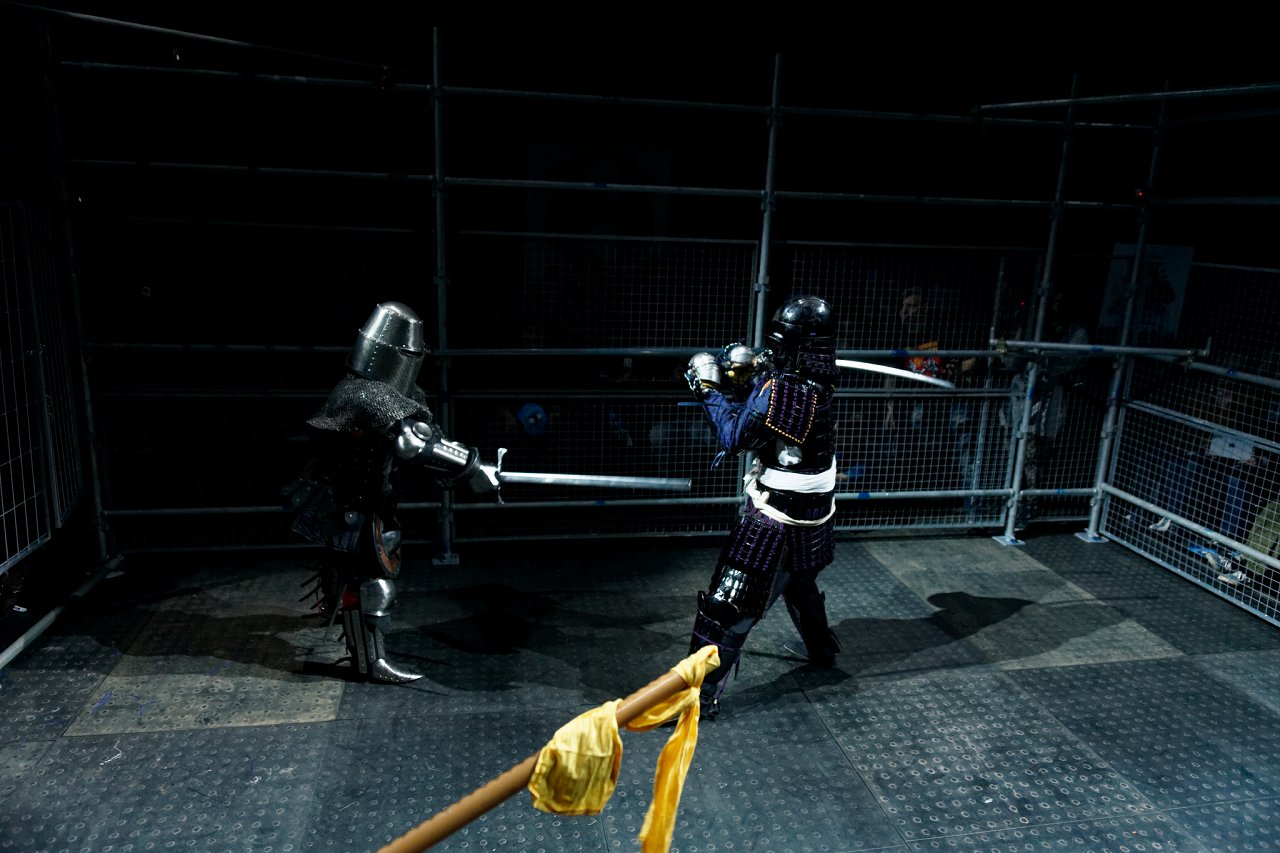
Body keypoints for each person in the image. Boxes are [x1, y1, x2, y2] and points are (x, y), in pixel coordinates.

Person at [285, 302, 496, 683]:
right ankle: (371, 663)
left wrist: (465, 465)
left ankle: (355, 635)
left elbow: (430, 439)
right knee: (372, 583)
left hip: (370, 496)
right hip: (345, 499)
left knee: (358, 574)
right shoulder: (363, 394)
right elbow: (412, 446)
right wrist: (471, 466)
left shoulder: (402, 393)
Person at [682, 295, 841, 719]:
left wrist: (709, 387)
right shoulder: (812, 382)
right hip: (814, 507)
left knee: (728, 603)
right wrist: (753, 375)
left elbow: (735, 436)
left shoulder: (791, 391)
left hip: (779, 515)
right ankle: (822, 650)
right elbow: (769, 413)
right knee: (800, 580)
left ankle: (697, 695)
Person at [1000, 288, 1090, 529]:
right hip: (1018, 399)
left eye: (1060, 302)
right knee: (1013, 452)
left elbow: (1073, 360)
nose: (1055, 307)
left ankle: (1028, 506)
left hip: (1049, 402)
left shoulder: (1074, 332)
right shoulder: (1022, 328)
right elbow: (1005, 358)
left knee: (1034, 456)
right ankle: (1011, 504)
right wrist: (1015, 341)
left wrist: (1043, 358)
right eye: (1051, 302)